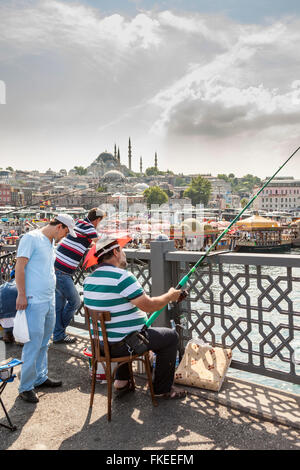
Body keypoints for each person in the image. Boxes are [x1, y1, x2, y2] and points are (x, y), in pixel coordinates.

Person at [83, 236, 187, 400]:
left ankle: (122, 382)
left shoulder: (88, 280)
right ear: (116, 252)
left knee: (128, 333)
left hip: (101, 346)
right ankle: (162, 389)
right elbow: (149, 306)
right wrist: (169, 296)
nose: (123, 254)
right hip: (124, 346)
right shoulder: (122, 277)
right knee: (170, 337)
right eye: (122, 250)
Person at [15, 214, 76, 403]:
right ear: (59, 226)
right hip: (34, 299)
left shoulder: (50, 242)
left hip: (48, 299)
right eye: (66, 232)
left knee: (44, 342)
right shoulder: (31, 238)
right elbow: (20, 266)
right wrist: (22, 294)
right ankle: (25, 386)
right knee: (33, 343)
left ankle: (40, 377)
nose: (65, 236)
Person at [53, 208, 105, 344]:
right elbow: (100, 243)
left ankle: (58, 334)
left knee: (59, 304)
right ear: (97, 219)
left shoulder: (79, 223)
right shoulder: (89, 227)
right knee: (75, 302)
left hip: (56, 265)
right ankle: (59, 331)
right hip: (62, 270)